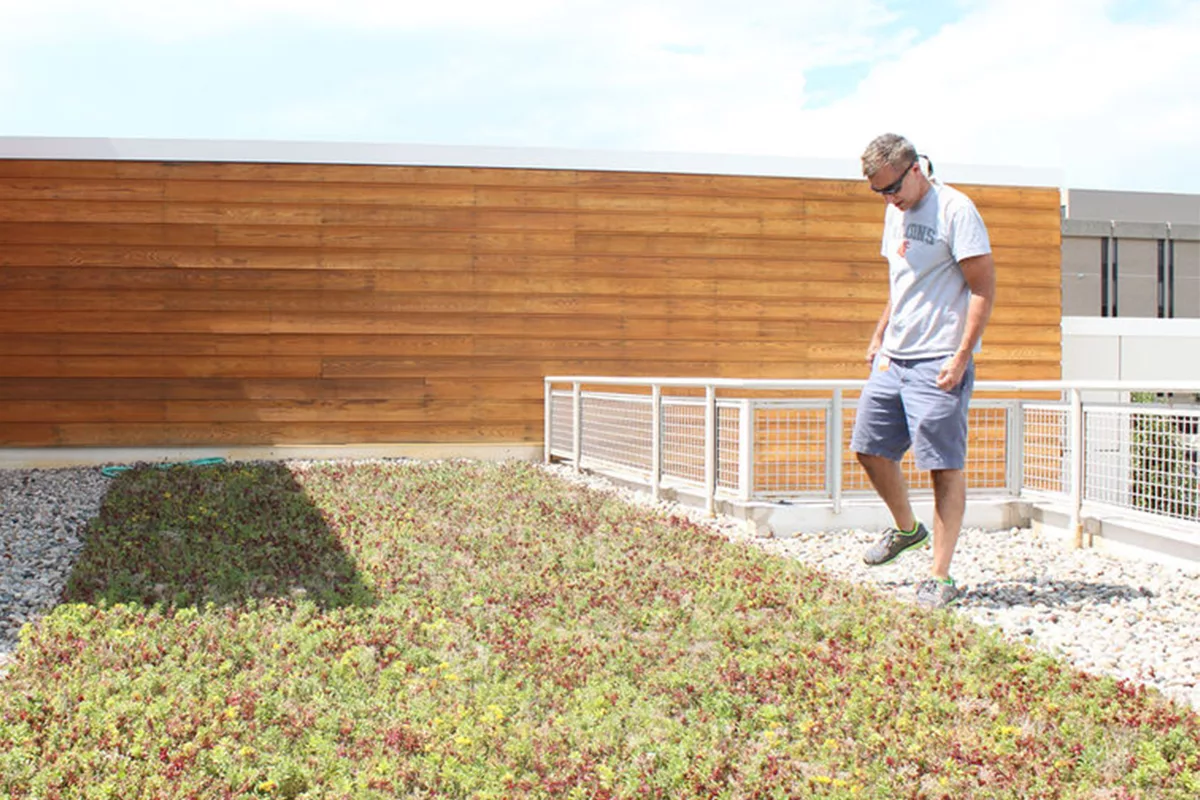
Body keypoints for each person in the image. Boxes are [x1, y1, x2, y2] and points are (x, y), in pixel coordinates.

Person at [850, 133, 996, 609]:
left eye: (891, 188)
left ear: (915, 169)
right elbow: (904, 284)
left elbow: (982, 289)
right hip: (896, 355)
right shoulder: (894, 215)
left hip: (938, 359)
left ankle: (939, 577)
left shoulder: (956, 210)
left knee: (942, 466)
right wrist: (879, 333)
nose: (888, 200)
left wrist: (960, 357)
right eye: (878, 193)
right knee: (869, 449)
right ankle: (906, 529)